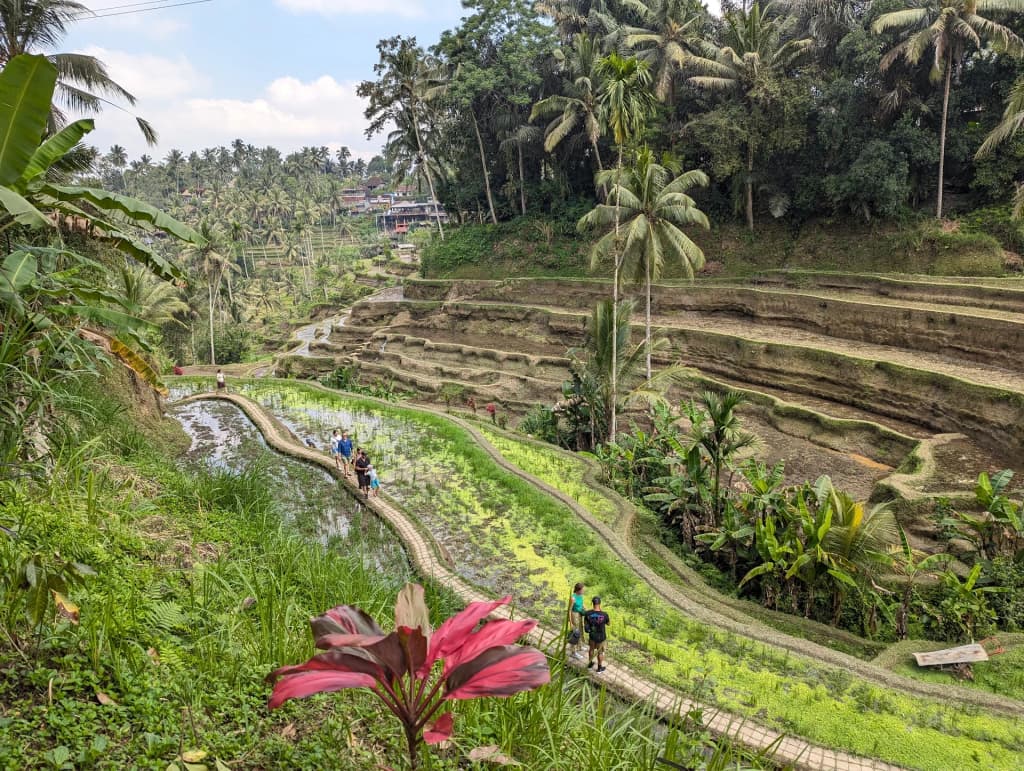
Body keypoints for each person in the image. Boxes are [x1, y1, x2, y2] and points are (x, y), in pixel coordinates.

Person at [584, 596, 610, 673]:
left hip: (592, 635)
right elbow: (608, 623)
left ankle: (590, 664)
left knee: (591, 649)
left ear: (593, 603)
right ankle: (599, 668)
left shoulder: (588, 613)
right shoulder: (604, 614)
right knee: (600, 652)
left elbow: (585, 623)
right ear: (600, 603)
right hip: (601, 637)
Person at [567, 582, 585, 660]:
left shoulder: (581, 595)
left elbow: (582, 604)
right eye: (582, 590)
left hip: (580, 614)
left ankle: (580, 646)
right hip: (574, 615)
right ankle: (573, 652)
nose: (583, 591)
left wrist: (585, 608)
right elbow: (569, 610)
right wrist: (570, 622)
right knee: (575, 633)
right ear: (578, 590)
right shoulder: (573, 598)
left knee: (580, 630)